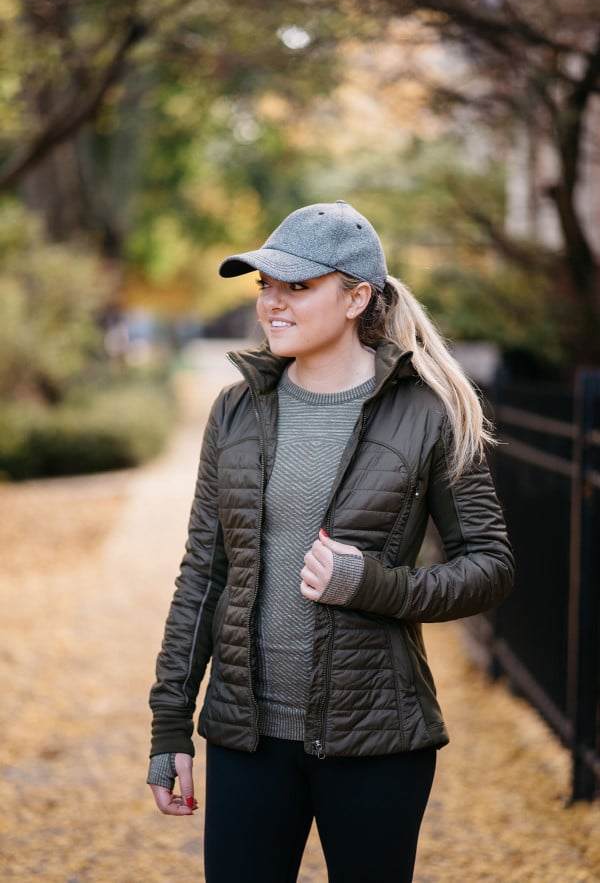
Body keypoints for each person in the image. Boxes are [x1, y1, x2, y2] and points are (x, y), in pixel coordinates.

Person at [147, 199, 514, 883]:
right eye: (266, 285)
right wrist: (171, 722)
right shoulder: (235, 411)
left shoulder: (427, 413)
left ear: (356, 298)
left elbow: (491, 567)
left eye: (297, 285)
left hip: (377, 739)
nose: (272, 302)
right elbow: (203, 573)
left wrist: (375, 585)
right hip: (245, 738)